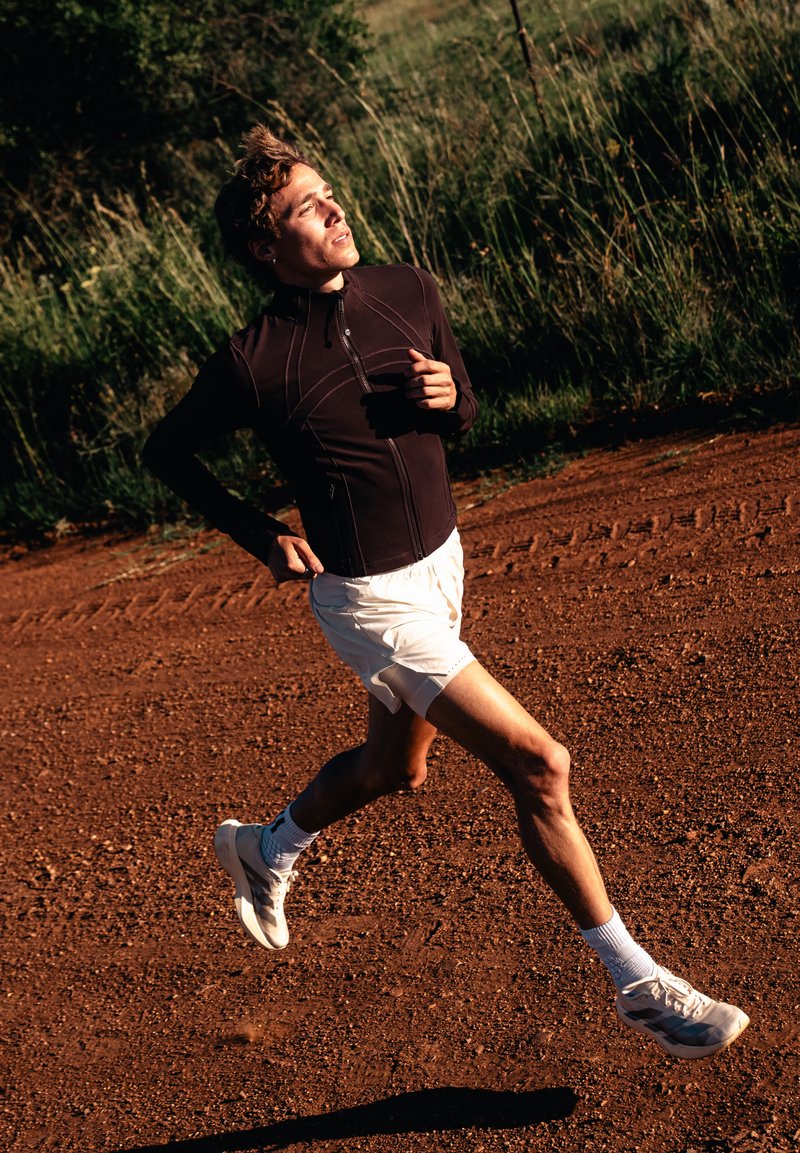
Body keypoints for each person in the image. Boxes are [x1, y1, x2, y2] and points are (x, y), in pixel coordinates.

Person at [143, 124, 749, 1061]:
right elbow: (164, 453)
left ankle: (265, 849)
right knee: (541, 764)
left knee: (398, 769)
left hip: (443, 562)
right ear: (267, 249)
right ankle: (635, 979)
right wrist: (259, 532)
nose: (335, 209)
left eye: (328, 191)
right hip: (368, 599)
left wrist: (449, 401)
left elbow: (462, 401)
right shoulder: (252, 361)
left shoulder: (404, 288)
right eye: (308, 206)